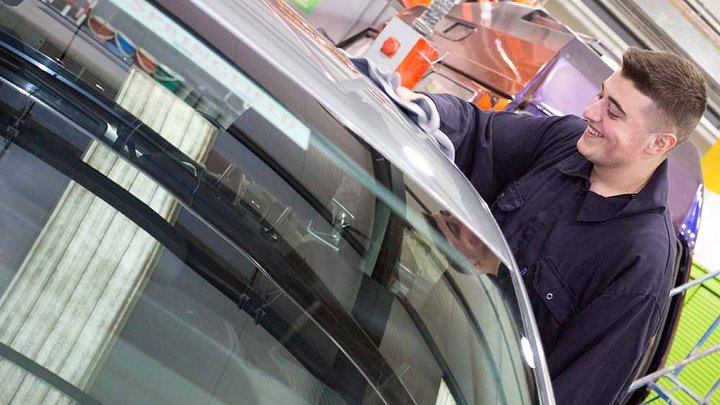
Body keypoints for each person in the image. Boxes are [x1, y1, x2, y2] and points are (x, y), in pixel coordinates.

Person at [421, 47, 707, 404]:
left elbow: (575, 395)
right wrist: (421, 110)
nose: (591, 112)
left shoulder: (640, 264)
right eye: (601, 95)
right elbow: (478, 131)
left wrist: (497, 272)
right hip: (414, 338)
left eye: (613, 113)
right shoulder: (565, 142)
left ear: (659, 143)